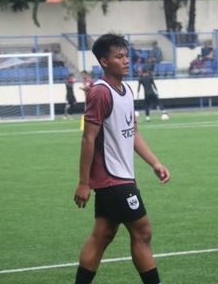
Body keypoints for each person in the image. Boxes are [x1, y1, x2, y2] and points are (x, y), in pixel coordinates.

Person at [73, 33, 171, 284]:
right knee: (143, 231)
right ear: (104, 62)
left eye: (126, 55)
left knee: (102, 236)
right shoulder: (100, 93)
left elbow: (132, 132)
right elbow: (88, 139)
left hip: (121, 177)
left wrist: (155, 162)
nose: (126, 61)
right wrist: (84, 183)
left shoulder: (126, 90)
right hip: (113, 179)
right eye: (119, 57)